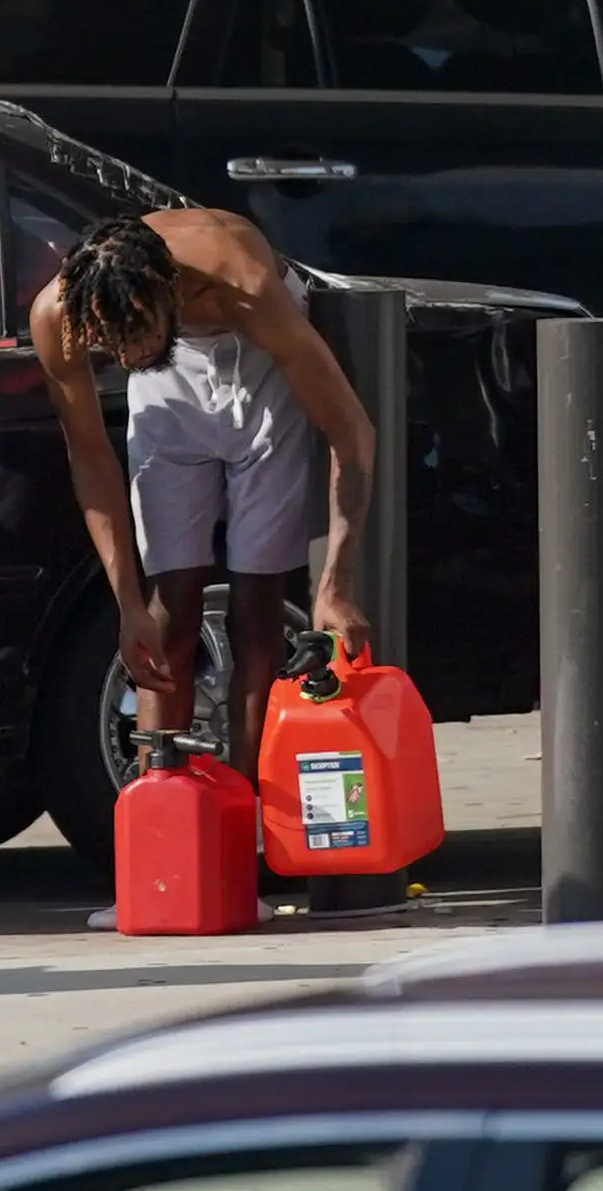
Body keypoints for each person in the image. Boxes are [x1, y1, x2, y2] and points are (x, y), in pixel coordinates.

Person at [31, 207, 377, 774]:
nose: (120, 359)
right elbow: (91, 457)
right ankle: (161, 800)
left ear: (168, 292)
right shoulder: (65, 313)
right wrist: (127, 604)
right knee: (168, 603)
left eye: (130, 337)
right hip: (170, 366)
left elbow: (350, 430)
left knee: (257, 607)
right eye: (109, 343)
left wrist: (337, 583)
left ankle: (252, 803)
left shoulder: (243, 285)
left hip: (264, 358)